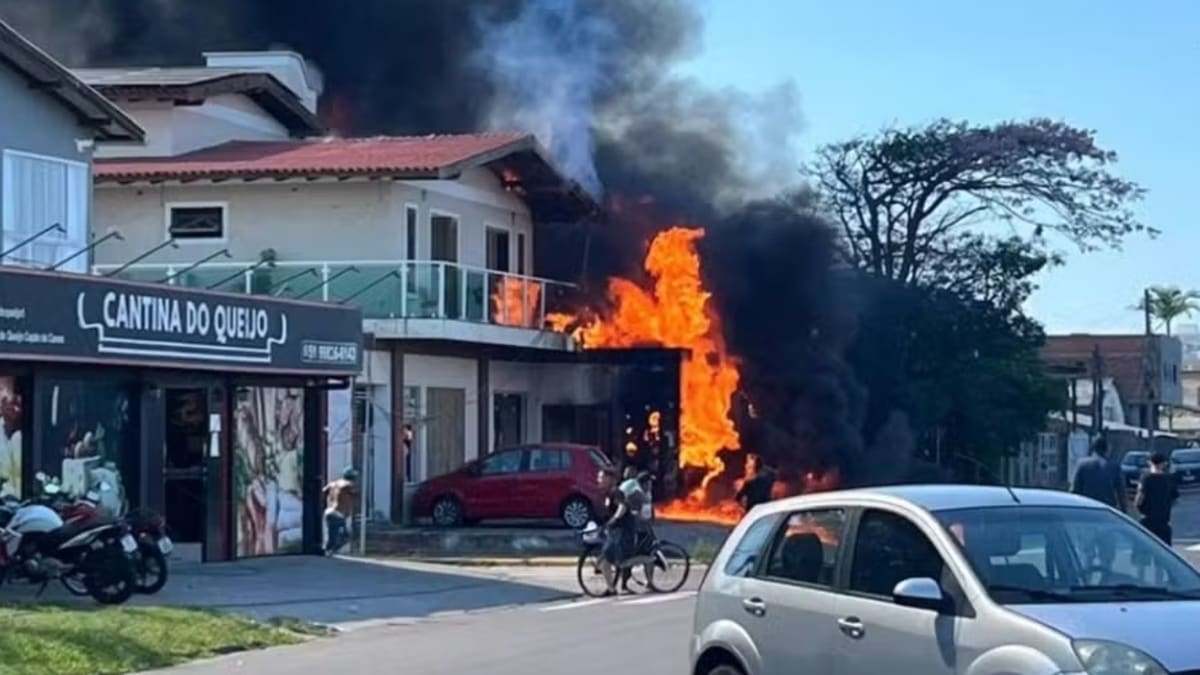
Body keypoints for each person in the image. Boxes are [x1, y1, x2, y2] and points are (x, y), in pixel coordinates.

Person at [1070, 437, 1125, 568]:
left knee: (1086, 552)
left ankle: (1086, 578)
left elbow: (1074, 491)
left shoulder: (1082, 465)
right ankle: (1105, 576)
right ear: (1106, 449)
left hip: (1085, 515)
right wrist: (1124, 513)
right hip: (1107, 514)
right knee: (1107, 553)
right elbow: (1121, 493)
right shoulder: (1113, 467)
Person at [1135, 451, 1179, 545]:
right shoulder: (1169, 479)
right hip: (1163, 522)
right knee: (1164, 553)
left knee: (1145, 550)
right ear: (1164, 464)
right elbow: (1175, 499)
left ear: (1150, 462)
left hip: (1147, 522)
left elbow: (1139, 499)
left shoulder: (1146, 478)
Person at [322, 467, 359, 556]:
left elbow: (324, 490)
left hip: (329, 511)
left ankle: (328, 550)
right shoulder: (348, 485)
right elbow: (355, 493)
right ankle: (330, 550)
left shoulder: (333, 483)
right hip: (338, 513)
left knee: (332, 535)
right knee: (345, 537)